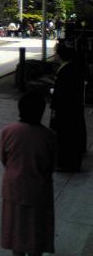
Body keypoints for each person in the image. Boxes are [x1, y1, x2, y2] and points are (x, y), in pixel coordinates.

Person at [0, 92, 56, 256]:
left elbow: (4, 159)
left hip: (13, 188)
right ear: (41, 111)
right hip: (39, 189)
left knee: (16, 225)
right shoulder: (49, 136)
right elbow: (51, 165)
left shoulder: (7, 131)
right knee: (36, 226)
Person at [50, 41, 86, 172]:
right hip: (73, 107)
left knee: (65, 136)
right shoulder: (73, 66)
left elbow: (61, 92)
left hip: (65, 109)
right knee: (71, 134)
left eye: (56, 53)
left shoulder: (66, 70)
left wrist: (53, 94)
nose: (55, 56)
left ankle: (65, 163)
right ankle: (71, 161)